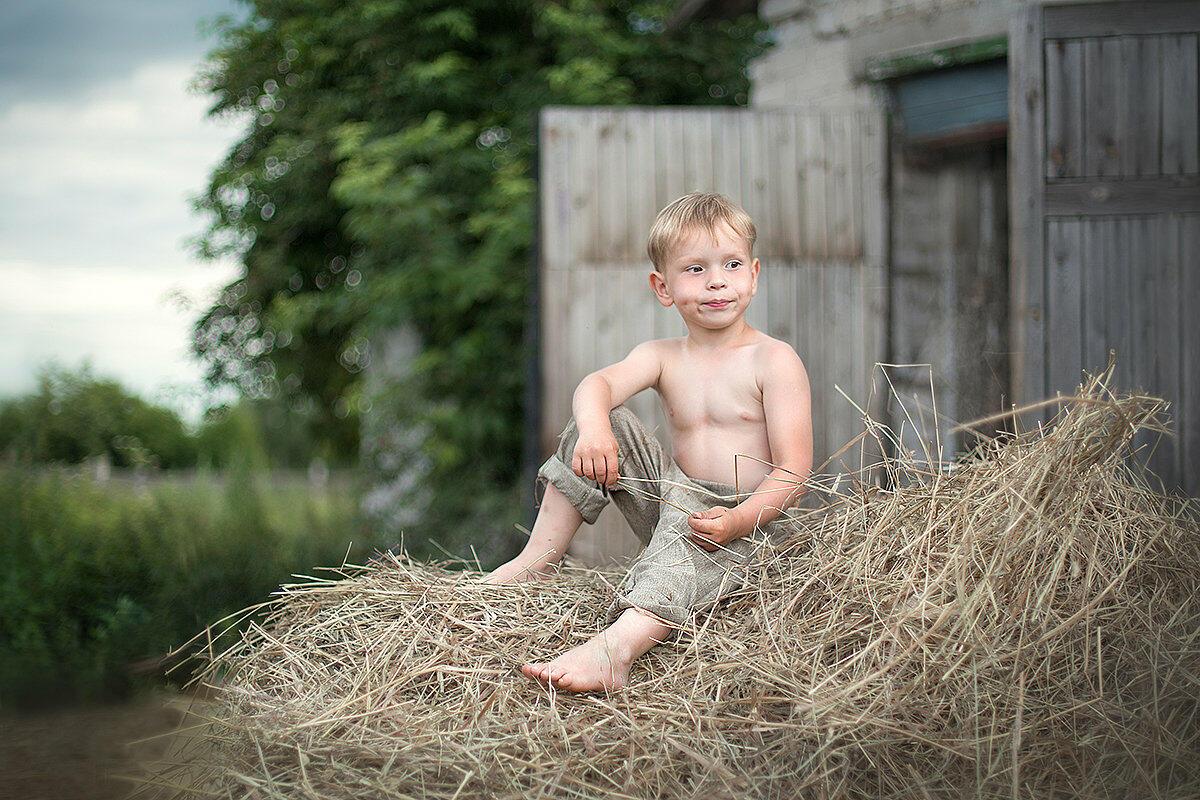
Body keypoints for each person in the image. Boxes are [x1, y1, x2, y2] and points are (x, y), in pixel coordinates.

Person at [484, 191, 813, 693]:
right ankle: (536, 561)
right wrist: (595, 429)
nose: (717, 280)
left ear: (754, 274)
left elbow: (793, 472)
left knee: (681, 556)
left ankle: (613, 652)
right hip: (672, 500)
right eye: (695, 269)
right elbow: (595, 385)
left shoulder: (773, 359)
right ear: (663, 287)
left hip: (745, 521)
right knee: (602, 418)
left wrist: (738, 520)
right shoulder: (662, 355)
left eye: (731, 264)